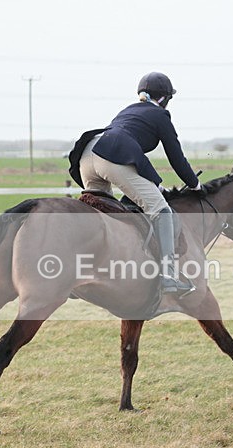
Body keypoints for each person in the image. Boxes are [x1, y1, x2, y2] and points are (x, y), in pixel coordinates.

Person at [68, 72, 203, 294]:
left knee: (100, 217)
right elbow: (176, 158)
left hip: (88, 153)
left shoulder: (129, 110)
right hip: (112, 155)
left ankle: (76, 273)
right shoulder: (161, 116)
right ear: (164, 98)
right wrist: (195, 184)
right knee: (162, 211)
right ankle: (169, 276)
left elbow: (133, 160)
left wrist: (155, 185)